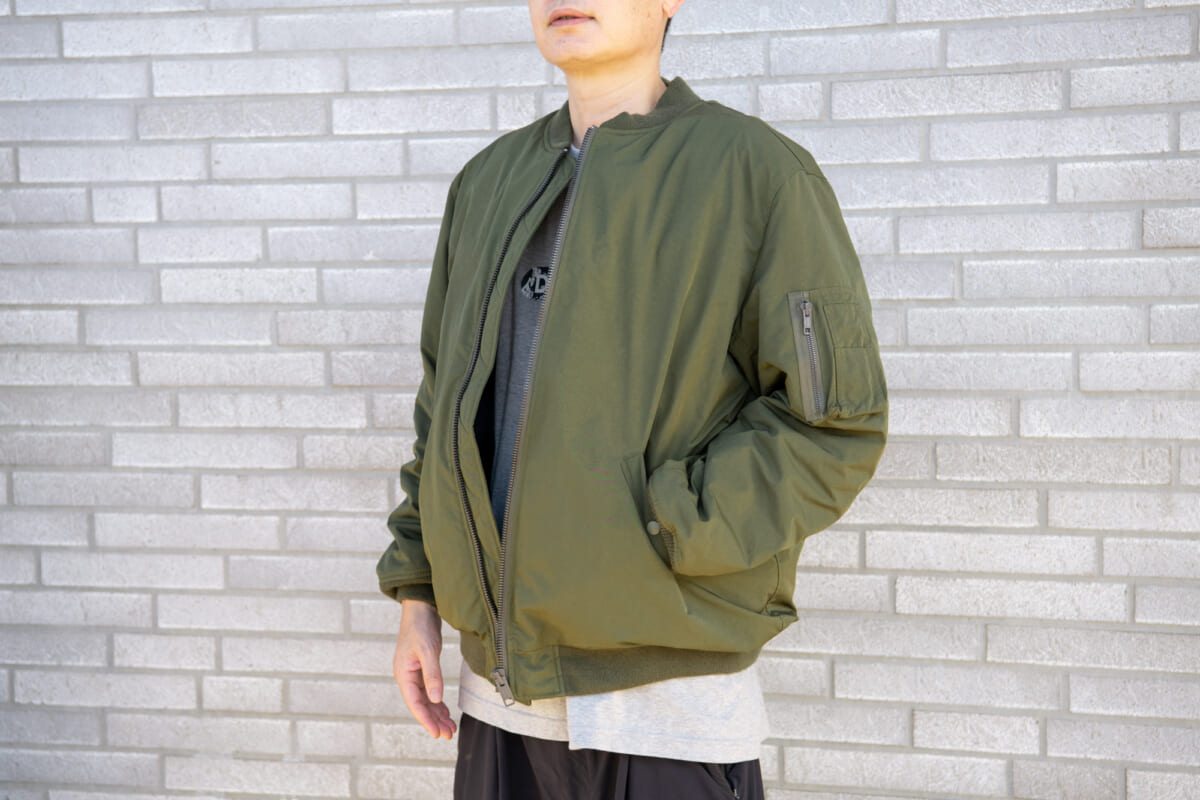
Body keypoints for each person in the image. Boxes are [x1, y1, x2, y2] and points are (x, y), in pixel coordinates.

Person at [377, 1, 889, 797]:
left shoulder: (755, 173)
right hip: (498, 705)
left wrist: (672, 523)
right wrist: (418, 593)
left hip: (666, 713)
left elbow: (834, 423)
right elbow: (441, 409)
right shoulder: (486, 183)